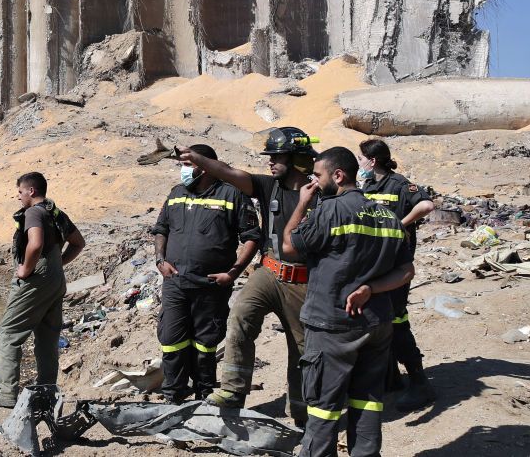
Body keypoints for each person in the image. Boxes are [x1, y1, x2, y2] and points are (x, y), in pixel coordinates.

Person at [281, 147, 414, 457]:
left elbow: (288, 245)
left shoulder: (329, 211)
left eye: (318, 176)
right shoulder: (388, 217)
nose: (313, 181)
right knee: (368, 400)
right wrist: (372, 288)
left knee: (324, 407)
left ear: (338, 176)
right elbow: (406, 271)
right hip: (377, 324)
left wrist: (302, 204)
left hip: (333, 324)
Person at [182, 126, 319, 425]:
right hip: (268, 272)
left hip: (304, 282)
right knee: (240, 317)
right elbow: (228, 171)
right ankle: (232, 391)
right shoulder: (269, 186)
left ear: (296, 156)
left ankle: (300, 412)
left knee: (302, 350)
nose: (270, 162)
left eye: (276, 156)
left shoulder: (320, 195)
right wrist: (197, 158)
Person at [152, 144, 261, 402]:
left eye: (189, 165)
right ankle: (174, 396)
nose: (184, 171)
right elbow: (161, 229)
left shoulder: (231, 195)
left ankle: (204, 395)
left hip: (211, 286)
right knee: (171, 341)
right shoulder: (176, 194)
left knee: (205, 343)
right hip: (175, 284)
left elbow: (252, 237)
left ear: (207, 167)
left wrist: (233, 273)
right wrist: (159, 260)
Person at [0, 172, 86, 407]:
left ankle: (6, 393)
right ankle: (47, 390)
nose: (18, 197)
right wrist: (57, 264)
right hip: (56, 280)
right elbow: (79, 242)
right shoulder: (55, 212)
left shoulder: (34, 213)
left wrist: (26, 269)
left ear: (31, 191)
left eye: (20, 192)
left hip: (37, 279)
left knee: (8, 332)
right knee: (47, 337)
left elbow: (35, 244)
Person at [358, 138, 436, 410]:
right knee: (378, 322)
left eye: (361, 159)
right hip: (372, 264)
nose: (360, 164)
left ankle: (419, 382)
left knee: (398, 322)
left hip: (395, 267)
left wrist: (400, 225)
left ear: (372, 160)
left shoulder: (400, 185)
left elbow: (426, 206)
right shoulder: (368, 186)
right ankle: (390, 378)